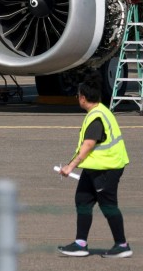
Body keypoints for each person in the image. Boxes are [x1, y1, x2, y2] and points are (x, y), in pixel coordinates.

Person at [57, 78, 132, 258]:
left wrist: (70, 167)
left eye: (78, 96)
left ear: (82, 98)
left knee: (108, 206)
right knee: (82, 199)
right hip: (94, 167)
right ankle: (80, 243)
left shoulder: (96, 117)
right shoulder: (98, 111)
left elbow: (88, 145)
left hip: (107, 167)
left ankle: (122, 245)